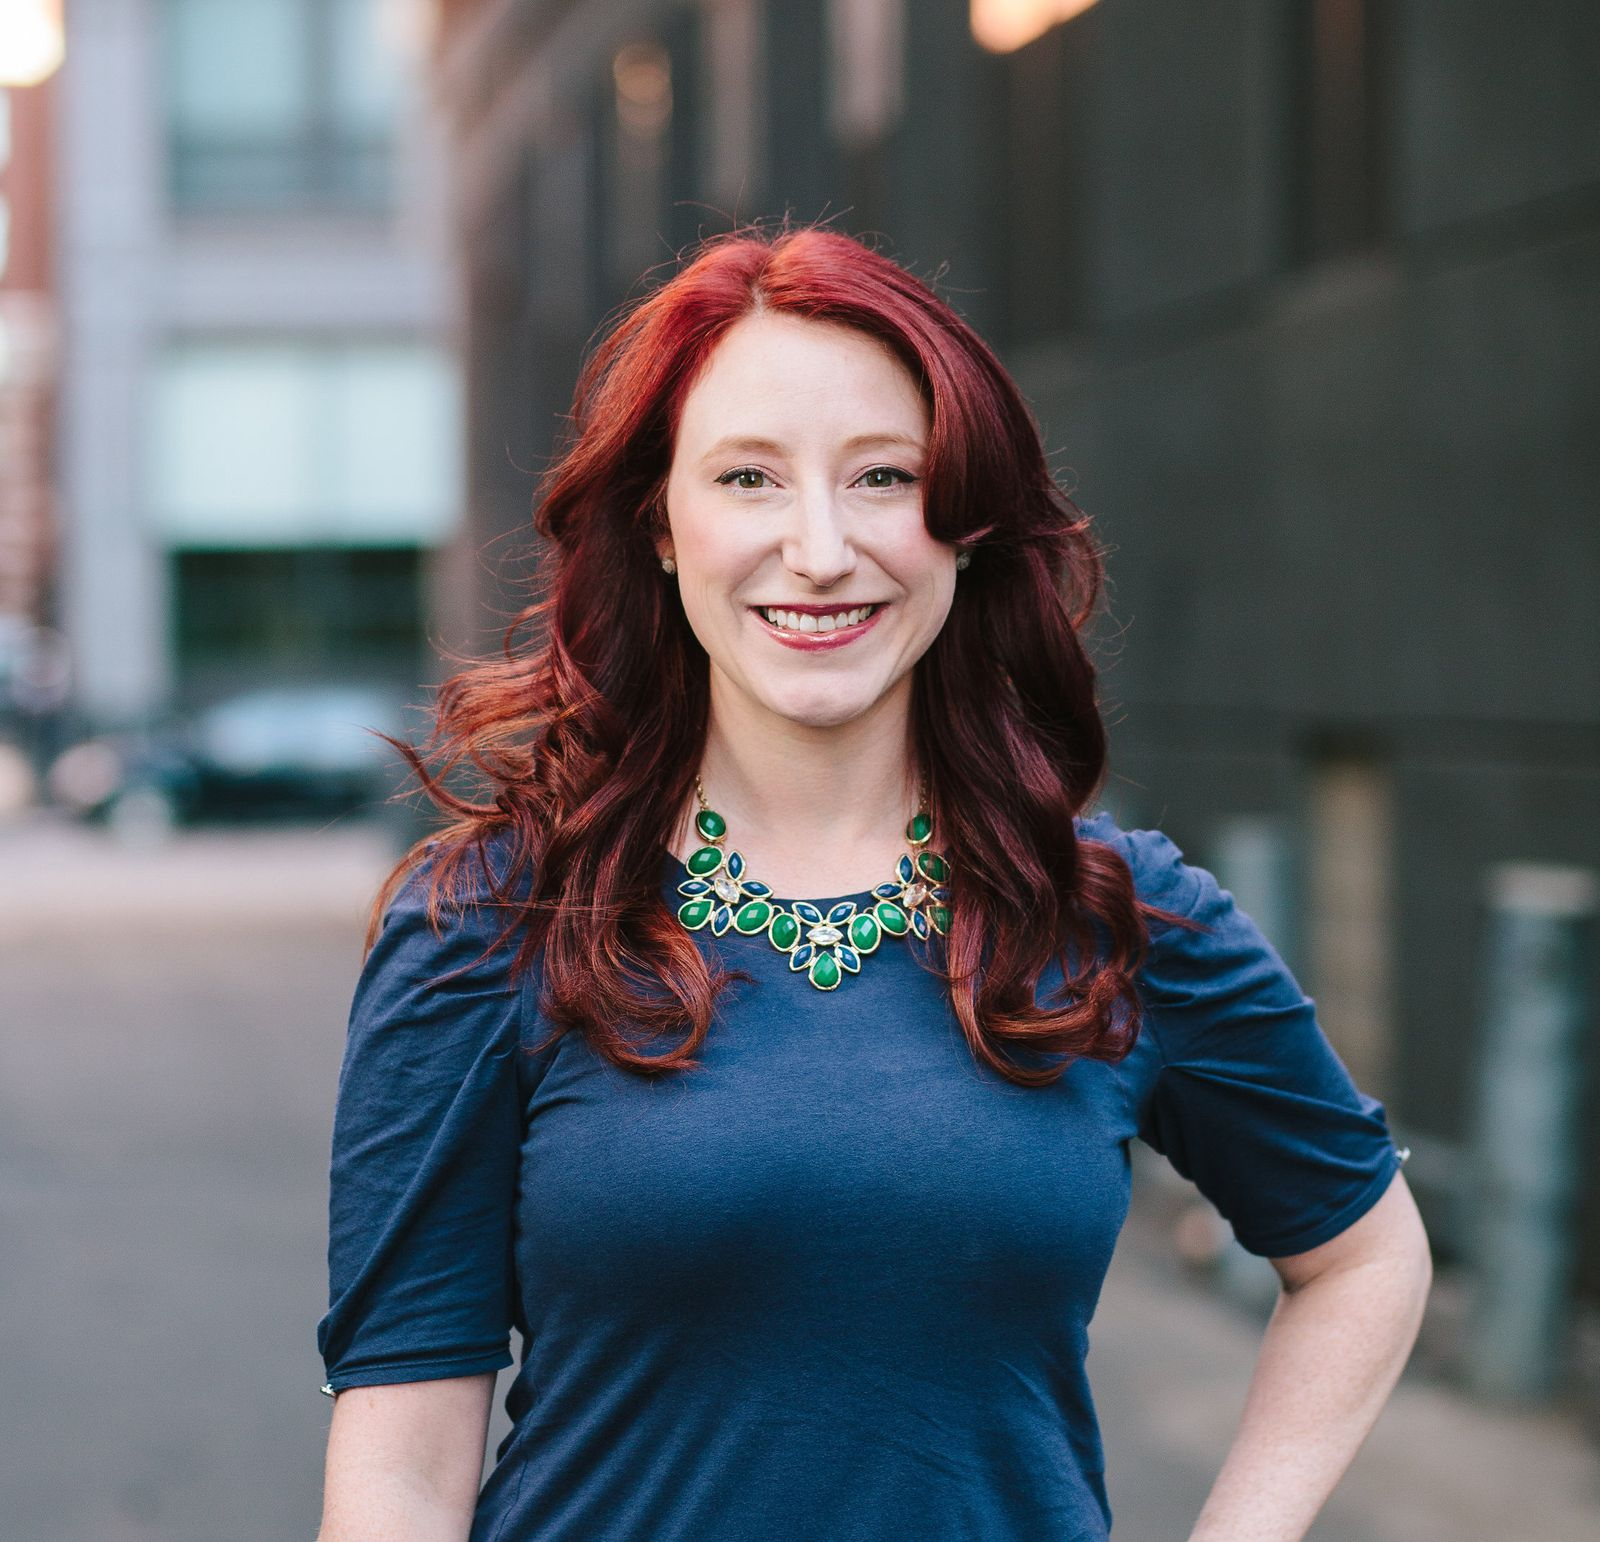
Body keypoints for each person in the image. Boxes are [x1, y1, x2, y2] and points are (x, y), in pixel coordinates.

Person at [315, 223, 1431, 1541]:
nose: (822, 547)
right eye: (748, 478)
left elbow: (1363, 1250)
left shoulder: (1119, 916)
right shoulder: (485, 925)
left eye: (884, 476)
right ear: (660, 527)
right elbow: (400, 1464)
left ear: (966, 528)